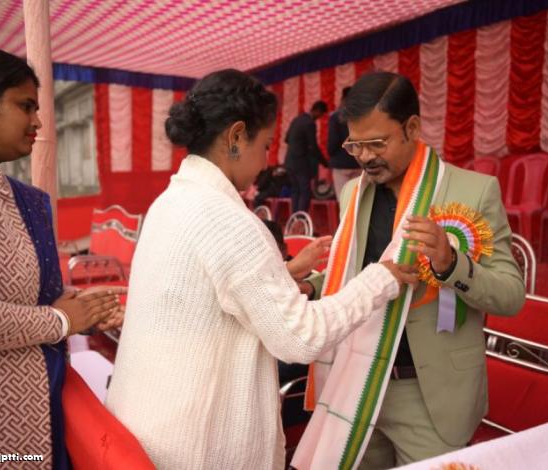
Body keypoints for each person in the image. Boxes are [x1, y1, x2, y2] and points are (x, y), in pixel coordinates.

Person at [105, 69, 419, 470]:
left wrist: (282, 273)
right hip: (195, 448)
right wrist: (380, 278)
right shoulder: (228, 220)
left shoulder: (169, 202)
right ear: (236, 137)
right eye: (266, 145)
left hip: (147, 426)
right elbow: (300, 337)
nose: (267, 160)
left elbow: (207, 291)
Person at [292, 72, 525, 469]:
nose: (365, 157)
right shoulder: (353, 193)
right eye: (355, 145)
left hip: (428, 392)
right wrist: (313, 286)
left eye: (377, 143)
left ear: (412, 128)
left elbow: (511, 295)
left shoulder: (473, 191)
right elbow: (355, 273)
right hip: (357, 381)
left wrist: (451, 264)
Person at [0, 45, 123, 469]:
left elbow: (12, 292)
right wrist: (60, 321)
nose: (38, 122)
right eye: (25, 106)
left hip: (17, 414)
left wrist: (78, 309)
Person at [284, 100, 328, 212]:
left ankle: (295, 217)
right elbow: (313, 146)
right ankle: (301, 217)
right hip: (301, 163)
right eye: (321, 114)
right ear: (318, 111)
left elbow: (286, 139)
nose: (320, 117)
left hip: (289, 162)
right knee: (305, 192)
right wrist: (325, 162)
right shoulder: (309, 123)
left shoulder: (297, 119)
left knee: (295, 190)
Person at [328, 87, 361, 197]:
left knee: (343, 199)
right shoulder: (360, 115)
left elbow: (333, 142)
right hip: (357, 162)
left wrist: (330, 153)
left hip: (340, 164)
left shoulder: (336, 117)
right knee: (356, 199)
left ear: (343, 98)